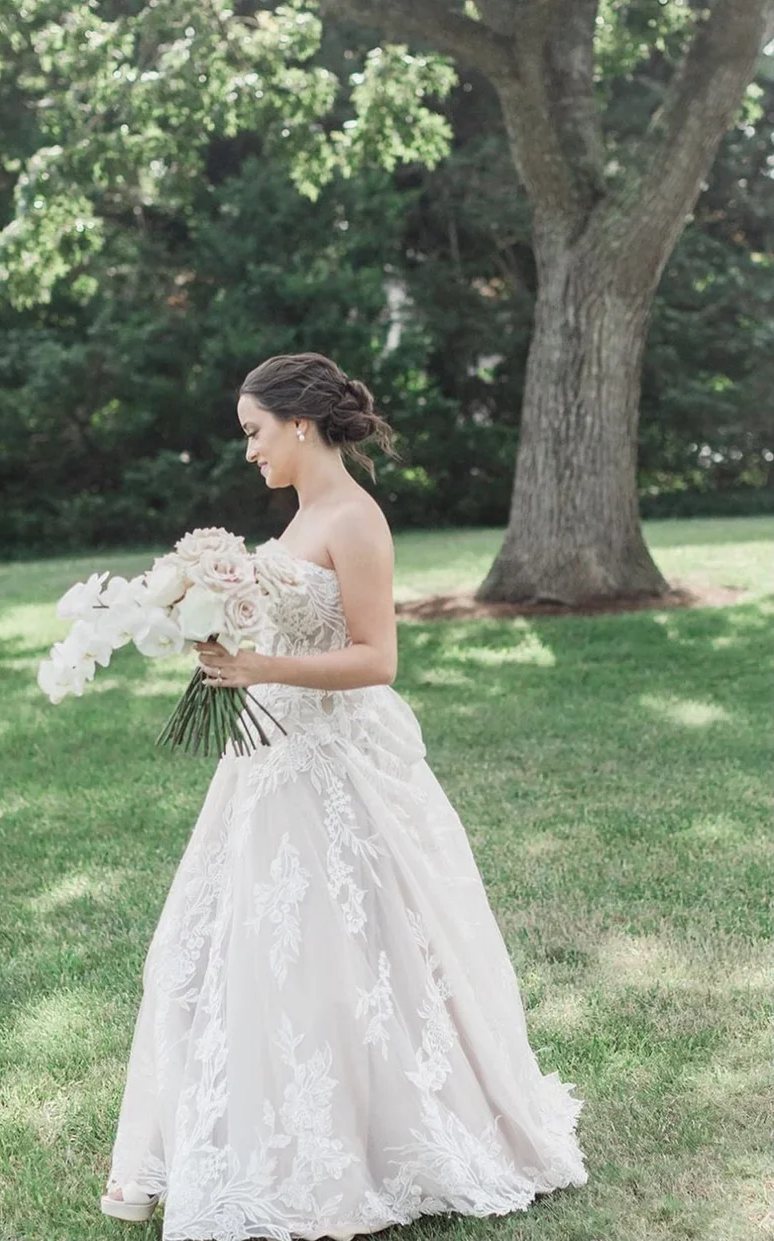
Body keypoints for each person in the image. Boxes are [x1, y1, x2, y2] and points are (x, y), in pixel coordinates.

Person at [100, 352, 588, 1238]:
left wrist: (257, 664)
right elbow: (280, 616)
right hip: (269, 760)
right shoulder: (298, 520)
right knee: (218, 948)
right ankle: (222, 1142)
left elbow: (377, 659)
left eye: (254, 432)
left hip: (335, 760)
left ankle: (366, 1146)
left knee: (345, 958)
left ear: (299, 423)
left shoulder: (356, 520)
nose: (248, 451)